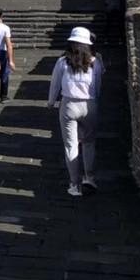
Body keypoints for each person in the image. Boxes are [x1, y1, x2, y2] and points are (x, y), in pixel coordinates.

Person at [48, 27, 103, 196]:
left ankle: (74, 185)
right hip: (89, 104)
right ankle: (89, 176)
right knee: (88, 142)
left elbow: (55, 83)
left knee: (71, 145)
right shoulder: (95, 62)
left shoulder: (63, 61)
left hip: (69, 104)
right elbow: (98, 85)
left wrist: (51, 101)